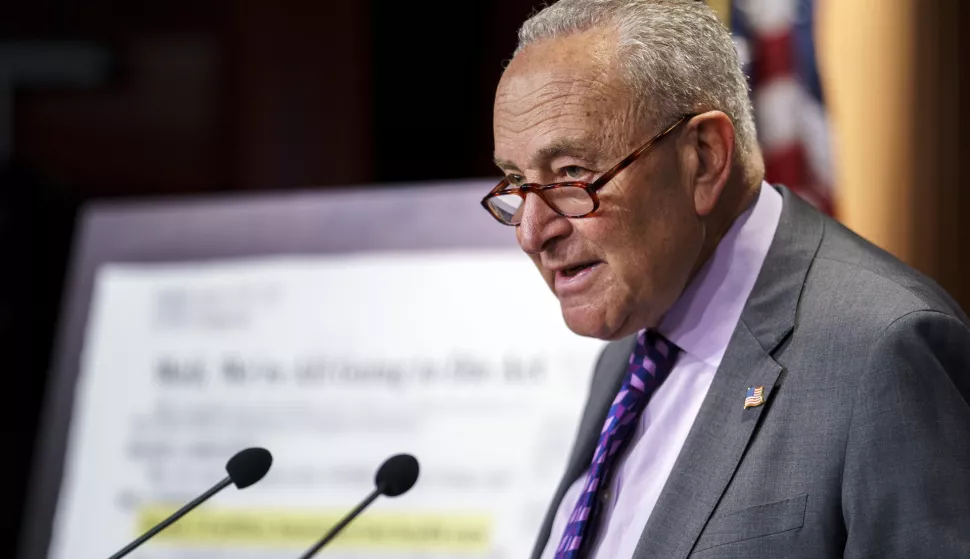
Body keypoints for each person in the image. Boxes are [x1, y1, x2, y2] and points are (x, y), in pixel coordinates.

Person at [480, 1, 970, 557]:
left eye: (572, 174)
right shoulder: (633, 342)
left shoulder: (882, 351)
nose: (531, 232)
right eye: (517, 183)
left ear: (705, 158)